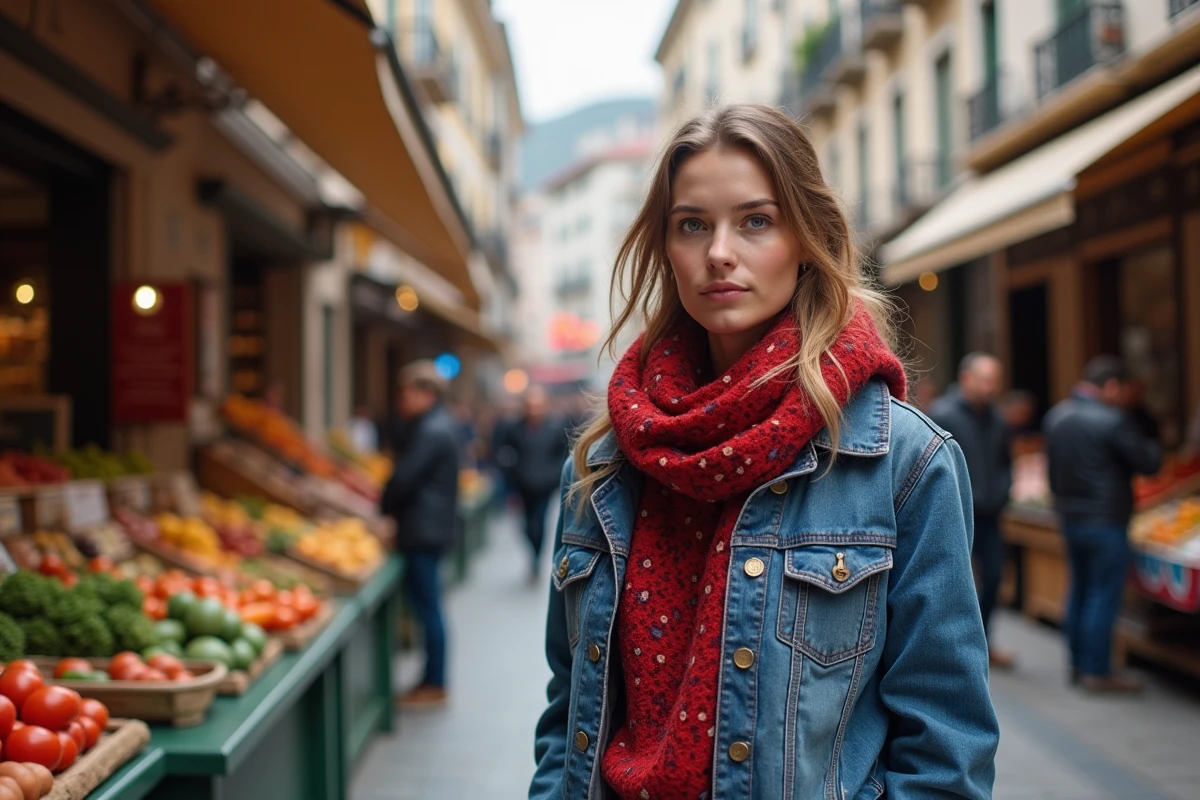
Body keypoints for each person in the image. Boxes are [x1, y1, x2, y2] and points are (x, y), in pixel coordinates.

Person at [530, 105, 997, 800]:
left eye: (755, 221)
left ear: (806, 239)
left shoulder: (902, 461)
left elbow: (945, 745)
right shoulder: (603, 465)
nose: (720, 251)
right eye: (693, 224)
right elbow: (569, 712)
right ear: (665, 247)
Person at [1045, 355, 1162, 694]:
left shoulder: (1058, 417)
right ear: (1111, 387)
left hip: (1071, 518)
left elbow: (1053, 473)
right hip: (1106, 520)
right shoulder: (1113, 419)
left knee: (1079, 590)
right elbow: (1149, 462)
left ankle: (1078, 663)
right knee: (1102, 595)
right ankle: (1097, 670)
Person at [380, 360, 460, 708]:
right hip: (430, 528)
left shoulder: (432, 430)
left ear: (427, 393)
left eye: (408, 391)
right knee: (430, 608)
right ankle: (432, 679)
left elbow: (403, 479)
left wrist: (384, 508)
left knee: (429, 610)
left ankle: (434, 682)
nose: (402, 399)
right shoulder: (436, 426)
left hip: (423, 531)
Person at [928, 353, 1016, 669]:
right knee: (952, 579)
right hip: (955, 512)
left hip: (990, 513)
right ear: (966, 379)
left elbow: (1006, 461)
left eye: (995, 380)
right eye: (985, 380)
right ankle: (950, 646)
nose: (991, 387)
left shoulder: (998, 419)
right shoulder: (943, 413)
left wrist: (1004, 490)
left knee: (993, 578)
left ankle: (982, 641)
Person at [505, 386, 570, 582]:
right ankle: (533, 555)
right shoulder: (515, 428)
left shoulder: (555, 427)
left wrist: (554, 475)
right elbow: (506, 451)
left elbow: (563, 453)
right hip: (523, 485)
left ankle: (536, 559)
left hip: (544, 485)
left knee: (538, 523)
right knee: (525, 525)